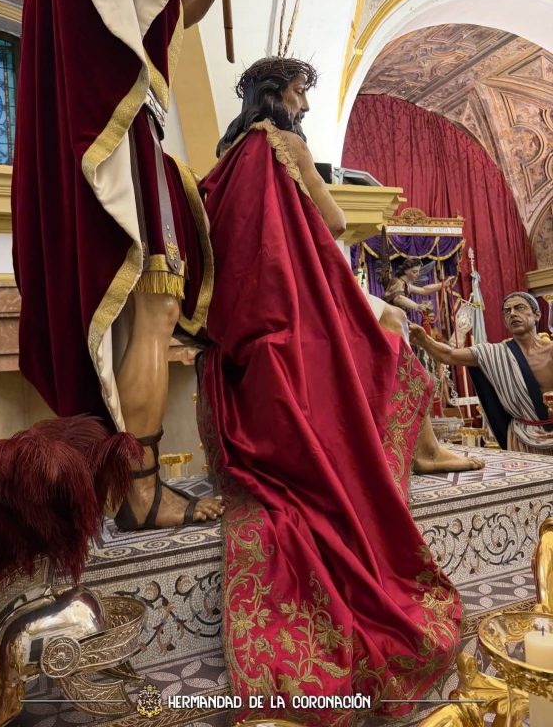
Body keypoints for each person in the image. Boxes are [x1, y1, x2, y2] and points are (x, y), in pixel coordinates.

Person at [196, 56, 461, 723]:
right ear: (276, 96)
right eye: (299, 93)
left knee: (384, 322)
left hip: (251, 331)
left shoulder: (229, 156)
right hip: (296, 318)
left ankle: (424, 449)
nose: (306, 106)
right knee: (392, 330)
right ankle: (425, 450)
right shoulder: (283, 143)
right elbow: (337, 222)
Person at [12, 0, 252, 530]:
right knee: (155, 308)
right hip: (121, 132)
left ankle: (130, 487)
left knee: (144, 314)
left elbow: (156, 15)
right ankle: (142, 495)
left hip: (121, 131)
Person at [410, 292, 553, 454]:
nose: (512, 314)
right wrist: (424, 340)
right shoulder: (493, 353)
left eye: (519, 308)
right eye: (507, 311)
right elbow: (448, 355)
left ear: (537, 315)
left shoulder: (550, 351)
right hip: (520, 440)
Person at [384, 258, 454, 315]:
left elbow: (424, 290)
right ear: (405, 271)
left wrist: (442, 284)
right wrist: (416, 306)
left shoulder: (407, 285)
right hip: (390, 315)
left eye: (418, 271)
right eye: (414, 272)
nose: (417, 274)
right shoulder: (398, 282)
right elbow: (398, 298)